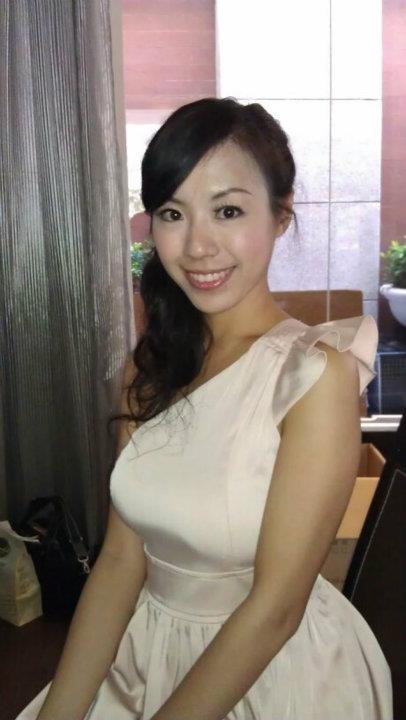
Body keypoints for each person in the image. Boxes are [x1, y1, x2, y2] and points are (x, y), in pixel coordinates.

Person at [16, 97, 393, 720]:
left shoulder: (312, 378)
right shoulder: (148, 369)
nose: (196, 245)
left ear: (280, 215)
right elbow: (120, 561)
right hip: (145, 652)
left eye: (227, 210)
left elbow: (275, 609)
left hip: (270, 673)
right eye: (173, 213)